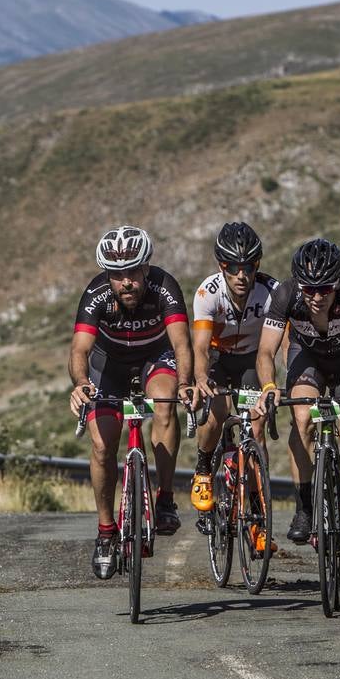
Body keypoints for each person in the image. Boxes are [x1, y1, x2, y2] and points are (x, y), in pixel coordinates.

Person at [67, 225, 196, 579]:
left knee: (166, 403)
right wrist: (80, 383)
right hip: (108, 365)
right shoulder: (95, 294)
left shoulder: (164, 287)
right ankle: (106, 533)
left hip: (155, 358)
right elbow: (79, 349)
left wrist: (186, 383)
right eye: (117, 275)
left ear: (146, 268)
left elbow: (182, 344)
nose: (126, 282)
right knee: (101, 444)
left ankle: (166, 498)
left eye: (133, 273)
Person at [254, 238, 340, 555]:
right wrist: (269, 386)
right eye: (308, 289)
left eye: (325, 289)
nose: (316, 297)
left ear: (338, 282)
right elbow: (265, 352)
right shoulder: (285, 295)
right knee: (302, 420)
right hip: (308, 360)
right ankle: (304, 507)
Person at [188, 222, 280, 542]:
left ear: (257, 265)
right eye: (233, 267)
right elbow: (199, 347)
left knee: (256, 430)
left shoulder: (272, 292)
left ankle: (258, 513)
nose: (242, 275)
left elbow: (282, 346)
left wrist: (275, 386)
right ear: (221, 266)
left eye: (249, 267)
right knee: (216, 413)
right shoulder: (207, 293)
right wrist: (200, 377)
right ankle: (202, 469)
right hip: (217, 359)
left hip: (253, 360)